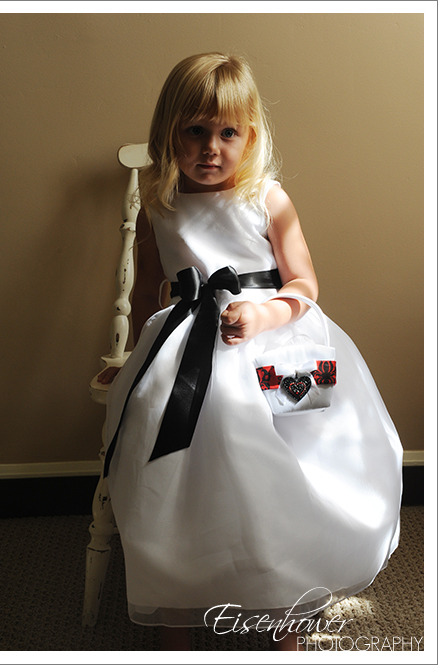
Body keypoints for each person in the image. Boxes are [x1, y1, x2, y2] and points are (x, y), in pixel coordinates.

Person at [98, 53, 403, 651]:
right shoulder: (159, 203)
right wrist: (132, 357)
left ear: (251, 136)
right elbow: (152, 288)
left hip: (272, 342)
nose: (211, 148)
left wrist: (265, 314)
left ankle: (285, 605)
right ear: (168, 132)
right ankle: (177, 601)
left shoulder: (267, 197)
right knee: (166, 456)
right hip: (184, 344)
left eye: (227, 133)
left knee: (286, 463)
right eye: (195, 131)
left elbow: (304, 283)